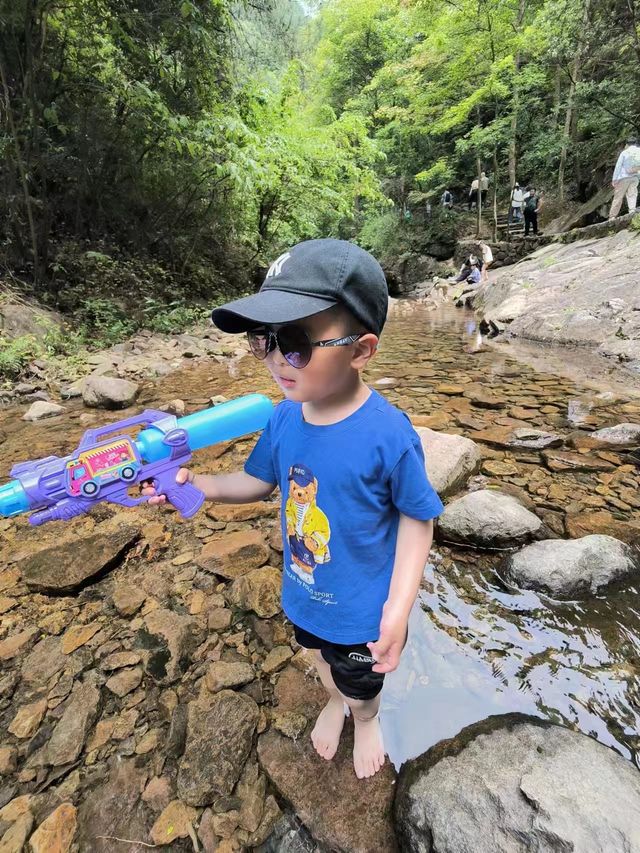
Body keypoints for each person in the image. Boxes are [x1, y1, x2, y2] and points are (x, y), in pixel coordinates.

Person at [142, 239, 443, 780]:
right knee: (321, 662)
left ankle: (366, 718)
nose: (278, 358)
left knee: (360, 681)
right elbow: (258, 482)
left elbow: (418, 520)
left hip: (361, 612)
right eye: (266, 340)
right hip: (303, 592)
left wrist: (397, 611)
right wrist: (202, 485)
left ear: (361, 349)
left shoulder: (387, 436)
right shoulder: (285, 417)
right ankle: (334, 701)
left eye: (298, 342)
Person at [609, 135, 640, 220]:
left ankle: (612, 217)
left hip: (624, 177)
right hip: (635, 177)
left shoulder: (625, 152)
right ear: (635, 143)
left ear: (627, 144)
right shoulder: (639, 151)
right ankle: (632, 212)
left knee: (618, 197)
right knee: (632, 194)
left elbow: (618, 166)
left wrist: (614, 179)